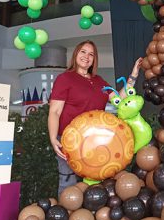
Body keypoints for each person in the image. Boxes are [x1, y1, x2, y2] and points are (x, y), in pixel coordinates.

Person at [48, 41, 141, 195]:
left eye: (91, 54)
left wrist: (134, 75)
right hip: (69, 140)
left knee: (95, 182)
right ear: (76, 54)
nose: (86, 57)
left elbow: (119, 98)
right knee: (68, 183)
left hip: (96, 141)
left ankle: (90, 216)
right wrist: (53, 138)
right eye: (83, 52)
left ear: (94, 59)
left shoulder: (99, 81)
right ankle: (66, 215)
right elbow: (55, 111)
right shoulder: (65, 78)